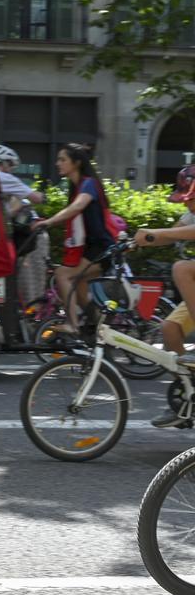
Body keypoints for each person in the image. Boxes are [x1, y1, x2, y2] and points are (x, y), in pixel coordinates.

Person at [133, 165, 195, 427]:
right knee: (169, 329)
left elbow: (186, 233)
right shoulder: (190, 214)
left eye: (190, 198)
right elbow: (170, 234)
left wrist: (155, 235)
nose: (187, 204)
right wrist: (133, 241)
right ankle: (187, 397)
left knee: (181, 269)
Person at [31, 143, 115, 333]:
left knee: (62, 275)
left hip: (100, 248)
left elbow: (77, 207)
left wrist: (49, 222)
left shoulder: (88, 184)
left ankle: (72, 324)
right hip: (92, 248)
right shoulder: (77, 187)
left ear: (76, 163)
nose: (57, 163)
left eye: (62, 160)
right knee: (81, 292)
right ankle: (101, 331)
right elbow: (72, 214)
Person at [0, 144, 49, 304]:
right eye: (10, 166)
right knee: (29, 272)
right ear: (4, 163)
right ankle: (31, 306)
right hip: (13, 236)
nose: (11, 170)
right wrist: (43, 196)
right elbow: (36, 197)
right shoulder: (4, 178)